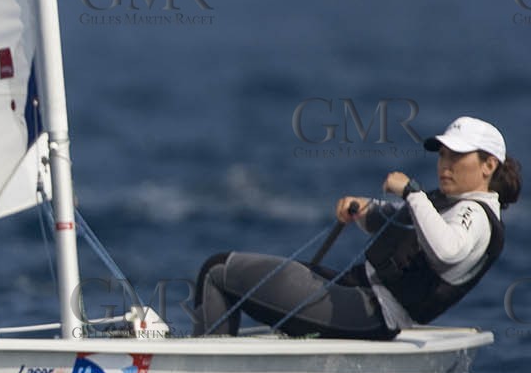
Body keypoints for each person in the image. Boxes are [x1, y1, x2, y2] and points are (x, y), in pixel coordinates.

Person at [195, 116, 518, 339]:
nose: (445, 165)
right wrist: (363, 210)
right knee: (225, 271)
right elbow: (397, 220)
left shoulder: (475, 215)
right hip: (357, 295)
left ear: (489, 165)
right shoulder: (452, 203)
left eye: (457, 157)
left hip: (369, 312)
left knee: (217, 271)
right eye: (443, 155)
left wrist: (411, 191)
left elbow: (446, 252)